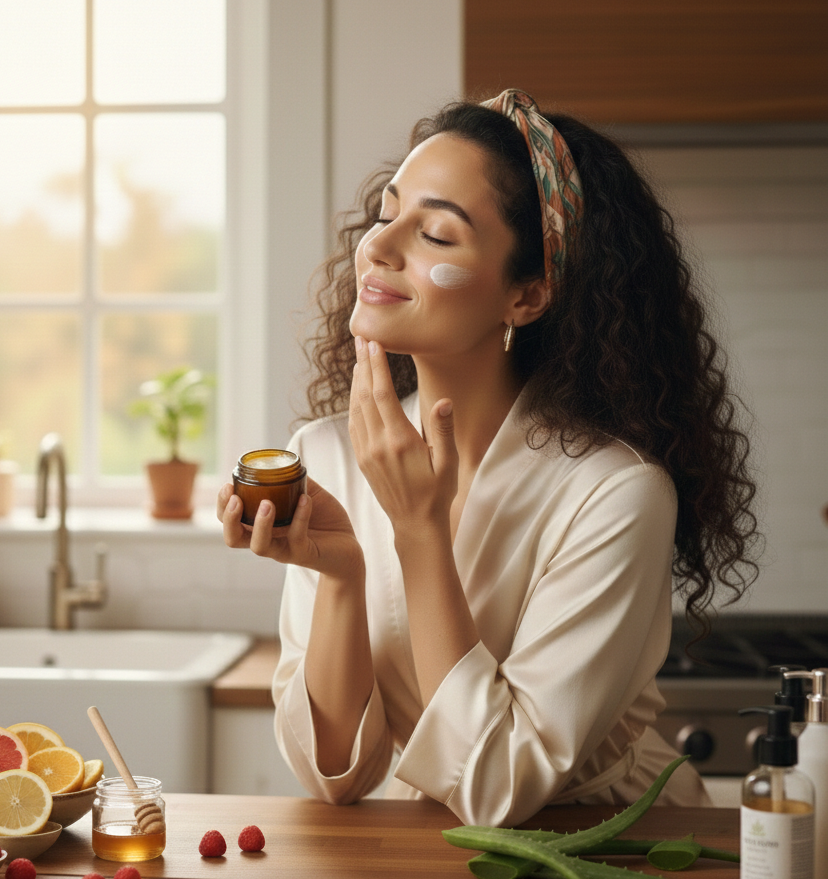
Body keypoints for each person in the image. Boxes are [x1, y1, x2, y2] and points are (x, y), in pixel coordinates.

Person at [217, 90, 761, 826]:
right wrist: (341, 575)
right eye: (386, 213)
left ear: (528, 295)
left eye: (436, 234)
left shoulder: (618, 493)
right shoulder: (326, 453)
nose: (378, 245)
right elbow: (335, 779)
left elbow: (499, 785)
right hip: (428, 849)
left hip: (608, 845)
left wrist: (419, 532)